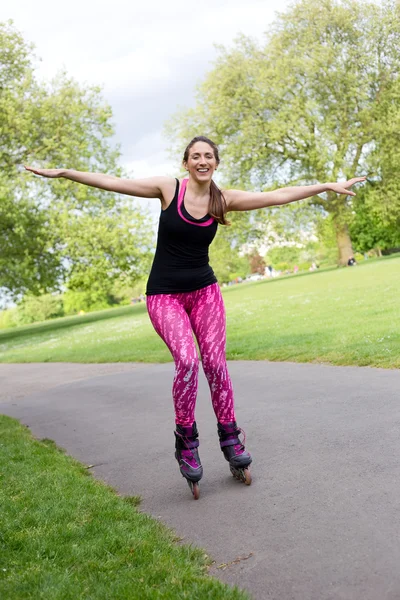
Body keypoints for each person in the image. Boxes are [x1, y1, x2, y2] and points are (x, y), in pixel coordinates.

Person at [25, 136, 365, 499]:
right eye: (195, 156)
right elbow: (113, 182)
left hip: (205, 293)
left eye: (208, 156)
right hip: (163, 296)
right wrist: (65, 173)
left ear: (216, 163)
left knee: (216, 364)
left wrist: (327, 185)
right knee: (187, 362)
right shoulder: (167, 189)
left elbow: (278, 194)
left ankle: (231, 438)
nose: (202, 161)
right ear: (186, 163)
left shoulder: (224, 199)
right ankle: (186, 442)